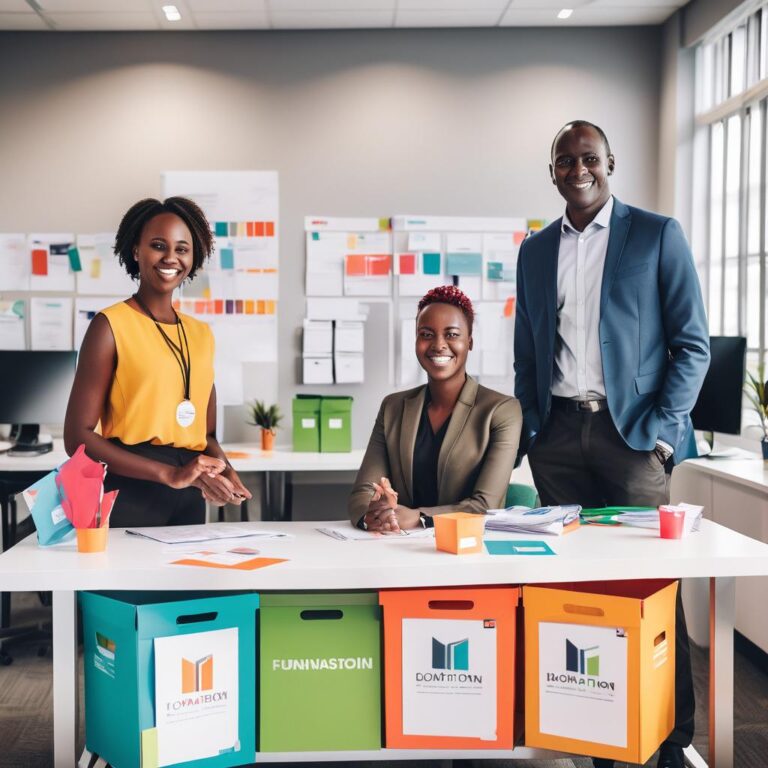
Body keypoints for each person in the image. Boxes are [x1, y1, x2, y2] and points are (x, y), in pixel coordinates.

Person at [514, 121, 710, 768]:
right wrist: (535, 431)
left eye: (589, 158)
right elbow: (527, 353)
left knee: (653, 589)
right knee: (578, 589)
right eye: (565, 160)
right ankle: (594, 730)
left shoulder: (656, 235)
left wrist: (660, 434)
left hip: (632, 440)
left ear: (610, 163)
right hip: (561, 438)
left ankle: (671, 739)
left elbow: (693, 345)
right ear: (552, 172)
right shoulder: (536, 251)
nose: (578, 169)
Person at [64, 197, 251, 527]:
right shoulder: (110, 326)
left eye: (182, 249)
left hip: (189, 492)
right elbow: (76, 437)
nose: (170, 258)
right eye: (158, 245)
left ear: (194, 258)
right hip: (131, 490)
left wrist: (226, 470)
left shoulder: (201, 334)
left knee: (186, 580)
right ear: (136, 250)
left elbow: (204, 434)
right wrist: (170, 473)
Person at [349, 285, 522, 531]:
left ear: (469, 342)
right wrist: (377, 512)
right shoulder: (393, 407)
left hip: (468, 549)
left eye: (451, 334)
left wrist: (419, 517)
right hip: (398, 546)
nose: (438, 345)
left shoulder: (502, 411)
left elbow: (485, 505)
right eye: (427, 334)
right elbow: (361, 494)